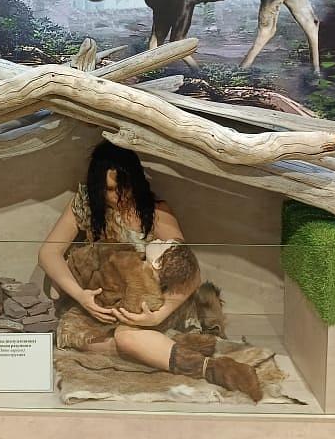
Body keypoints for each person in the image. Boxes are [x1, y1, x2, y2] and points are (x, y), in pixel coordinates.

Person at [38, 141, 262, 399]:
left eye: (124, 187)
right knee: (75, 337)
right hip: (107, 303)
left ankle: (212, 369)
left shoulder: (155, 211)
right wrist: (81, 296)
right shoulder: (85, 205)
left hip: (154, 302)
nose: (118, 196)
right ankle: (169, 350)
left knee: (126, 339)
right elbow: (48, 253)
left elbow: (189, 271)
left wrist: (157, 316)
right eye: (109, 189)